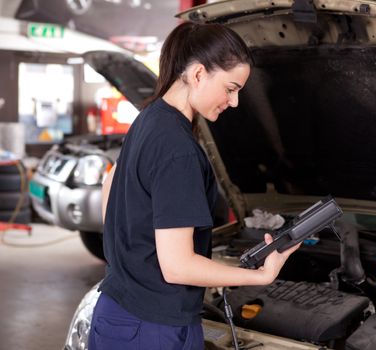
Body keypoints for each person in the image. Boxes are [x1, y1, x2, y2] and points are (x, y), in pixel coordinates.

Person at [87, 22, 300, 350]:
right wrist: (260, 276)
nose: (235, 102)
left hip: (116, 313)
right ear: (199, 74)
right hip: (153, 330)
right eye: (230, 88)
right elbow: (177, 267)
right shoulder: (178, 149)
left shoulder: (149, 118)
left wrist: (132, 253)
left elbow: (111, 182)